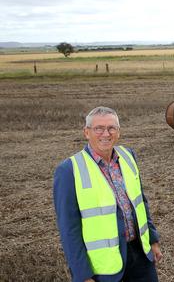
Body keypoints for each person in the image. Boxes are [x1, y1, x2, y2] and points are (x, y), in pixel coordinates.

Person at [53, 107, 163, 282]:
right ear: (86, 132)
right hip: (104, 269)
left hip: (140, 255)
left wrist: (152, 239)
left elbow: (140, 202)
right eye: (99, 128)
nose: (106, 133)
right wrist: (82, 275)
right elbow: (69, 230)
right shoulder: (69, 170)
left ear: (118, 132)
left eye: (111, 128)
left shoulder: (128, 156)